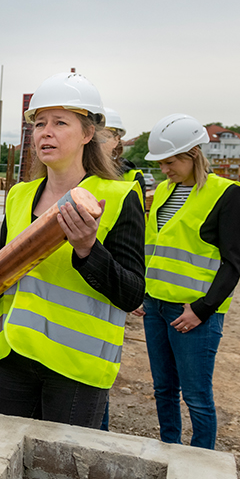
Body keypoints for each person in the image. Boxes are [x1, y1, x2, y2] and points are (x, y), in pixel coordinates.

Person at [0, 72, 145, 429]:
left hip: (76, 367)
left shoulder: (118, 197)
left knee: (60, 464)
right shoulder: (18, 196)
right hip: (14, 355)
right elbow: (13, 270)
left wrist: (88, 249)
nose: (46, 132)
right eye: (39, 124)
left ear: (88, 133)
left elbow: (131, 293)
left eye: (60, 123)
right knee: (9, 455)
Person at [137, 113, 240, 450]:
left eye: (170, 162)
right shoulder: (164, 191)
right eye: (160, 163)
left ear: (194, 154)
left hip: (194, 313)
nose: (164, 170)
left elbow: (234, 262)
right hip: (156, 307)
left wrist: (202, 309)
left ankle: (201, 462)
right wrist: (143, 292)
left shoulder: (228, 195)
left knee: (197, 396)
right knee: (163, 389)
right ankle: (169, 449)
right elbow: (153, 248)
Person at [96, 106, 143, 432]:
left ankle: (99, 429)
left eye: (106, 136)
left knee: (99, 361)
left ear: (117, 141)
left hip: (110, 273)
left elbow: (132, 239)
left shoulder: (129, 180)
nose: (99, 142)